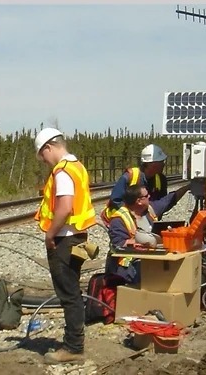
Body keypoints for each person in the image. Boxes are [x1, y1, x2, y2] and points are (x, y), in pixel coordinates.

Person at [34, 128, 96, 365]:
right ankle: (75, 341)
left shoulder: (62, 172)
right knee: (74, 292)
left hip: (64, 239)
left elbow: (65, 207)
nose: (44, 161)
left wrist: (50, 235)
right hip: (78, 237)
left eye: (43, 155)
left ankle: (73, 347)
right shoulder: (77, 167)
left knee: (68, 294)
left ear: (48, 147)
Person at [105, 183, 190, 284]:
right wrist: (142, 242)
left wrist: (188, 186)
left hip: (152, 258)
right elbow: (118, 245)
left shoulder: (149, 209)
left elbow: (168, 201)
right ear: (139, 201)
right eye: (146, 196)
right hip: (130, 266)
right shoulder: (119, 220)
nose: (149, 196)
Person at [101, 144, 182, 226]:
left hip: (146, 222)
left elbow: (161, 203)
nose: (164, 164)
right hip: (122, 222)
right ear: (152, 164)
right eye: (161, 162)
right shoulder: (129, 177)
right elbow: (116, 199)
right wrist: (134, 215)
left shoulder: (161, 179)